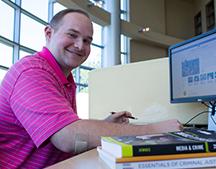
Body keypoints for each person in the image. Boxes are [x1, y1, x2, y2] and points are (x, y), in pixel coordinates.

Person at [0, 8, 182, 169]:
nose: (80, 46)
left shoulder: (64, 77)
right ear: (49, 33)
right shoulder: (32, 72)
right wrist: (153, 130)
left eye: (87, 40)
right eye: (72, 35)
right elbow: (68, 138)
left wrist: (105, 125)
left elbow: (67, 130)